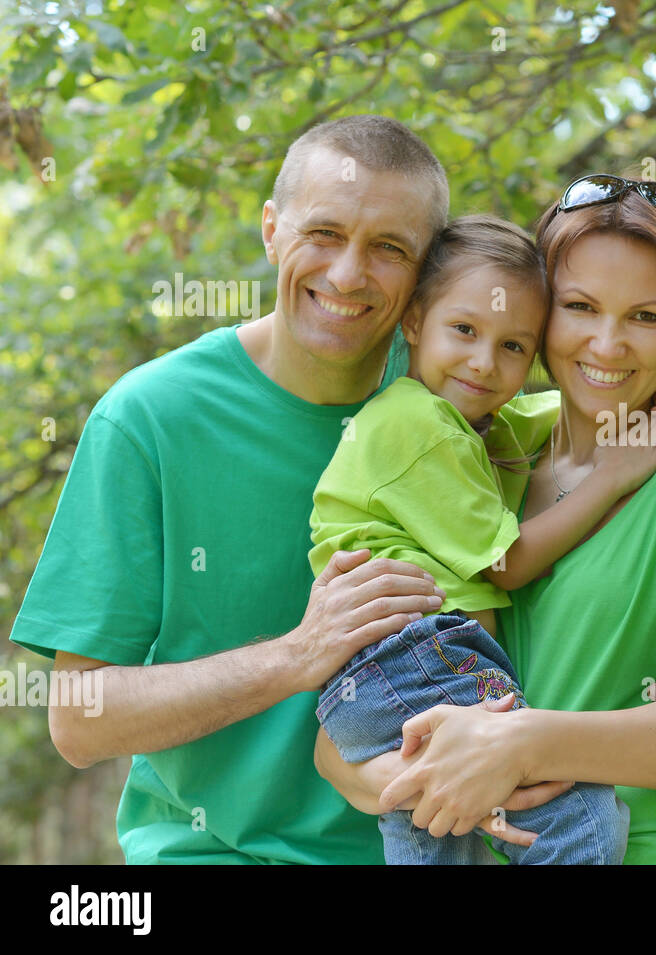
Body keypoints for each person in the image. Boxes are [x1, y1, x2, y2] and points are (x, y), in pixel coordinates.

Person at [7, 115, 481, 864]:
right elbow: (79, 718)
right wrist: (298, 653)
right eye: (323, 232)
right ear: (271, 229)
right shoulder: (149, 418)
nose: (348, 273)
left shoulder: (463, 403)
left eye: (389, 248)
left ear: (427, 272)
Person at [315, 173, 656, 864]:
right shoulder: (480, 452)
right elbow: (337, 743)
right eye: (580, 307)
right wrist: (410, 776)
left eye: (647, 317)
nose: (608, 344)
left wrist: (521, 741)